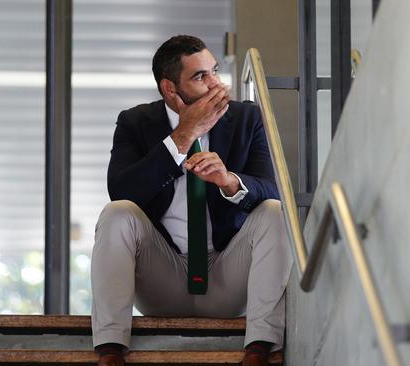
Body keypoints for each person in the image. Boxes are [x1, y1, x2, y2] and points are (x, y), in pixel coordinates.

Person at [91, 35, 293, 366]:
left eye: (215, 71)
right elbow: (123, 191)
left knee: (273, 211)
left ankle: (260, 347)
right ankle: (111, 349)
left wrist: (229, 182)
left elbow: (270, 189)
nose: (217, 84)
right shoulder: (135, 122)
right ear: (170, 89)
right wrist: (183, 136)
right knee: (117, 213)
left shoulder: (246, 118)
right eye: (201, 77)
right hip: (163, 276)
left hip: (229, 274)